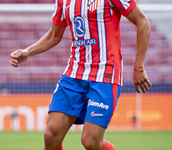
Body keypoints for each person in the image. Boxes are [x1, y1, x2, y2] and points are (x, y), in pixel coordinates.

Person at [10, 0, 152, 149]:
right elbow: (54, 35)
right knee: (51, 135)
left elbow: (143, 22)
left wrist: (139, 67)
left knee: (90, 141)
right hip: (74, 74)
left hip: (105, 75)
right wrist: (28, 52)